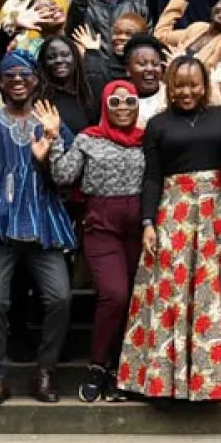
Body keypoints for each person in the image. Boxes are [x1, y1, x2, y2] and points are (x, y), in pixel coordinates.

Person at [117, 56, 221, 401]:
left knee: (211, 291)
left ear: (204, 86)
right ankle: (163, 381)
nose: (186, 92)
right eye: (179, 85)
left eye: (193, 85)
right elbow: (153, 177)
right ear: (168, 87)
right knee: (168, 290)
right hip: (173, 213)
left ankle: (214, 380)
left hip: (215, 212)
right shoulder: (158, 125)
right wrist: (148, 222)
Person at [0, 51, 79, 405]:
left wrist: (51, 146)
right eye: (9, 76)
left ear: (36, 80)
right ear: (2, 83)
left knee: (60, 298)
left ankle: (45, 371)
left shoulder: (51, 121)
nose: (18, 81)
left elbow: (68, 176)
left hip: (44, 225)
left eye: (24, 74)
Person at [45, 80, 147, 403]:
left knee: (134, 299)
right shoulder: (89, 139)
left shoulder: (147, 140)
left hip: (141, 228)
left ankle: (122, 369)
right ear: (104, 105)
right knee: (114, 295)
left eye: (129, 101)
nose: (122, 108)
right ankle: (97, 366)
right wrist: (54, 139)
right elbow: (62, 175)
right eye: (114, 102)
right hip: (101, 225)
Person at [75, 12, 147, 91]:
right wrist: (92, 55)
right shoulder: (101, 65)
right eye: (117, 33)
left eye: (129, 34)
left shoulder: (147, 70)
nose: (121, 37)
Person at [123, 33, 169, 126]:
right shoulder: (119, 98)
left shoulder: (172, 97)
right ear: (128, 70)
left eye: (155, 64)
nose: (150, 69)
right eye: (142, 64)